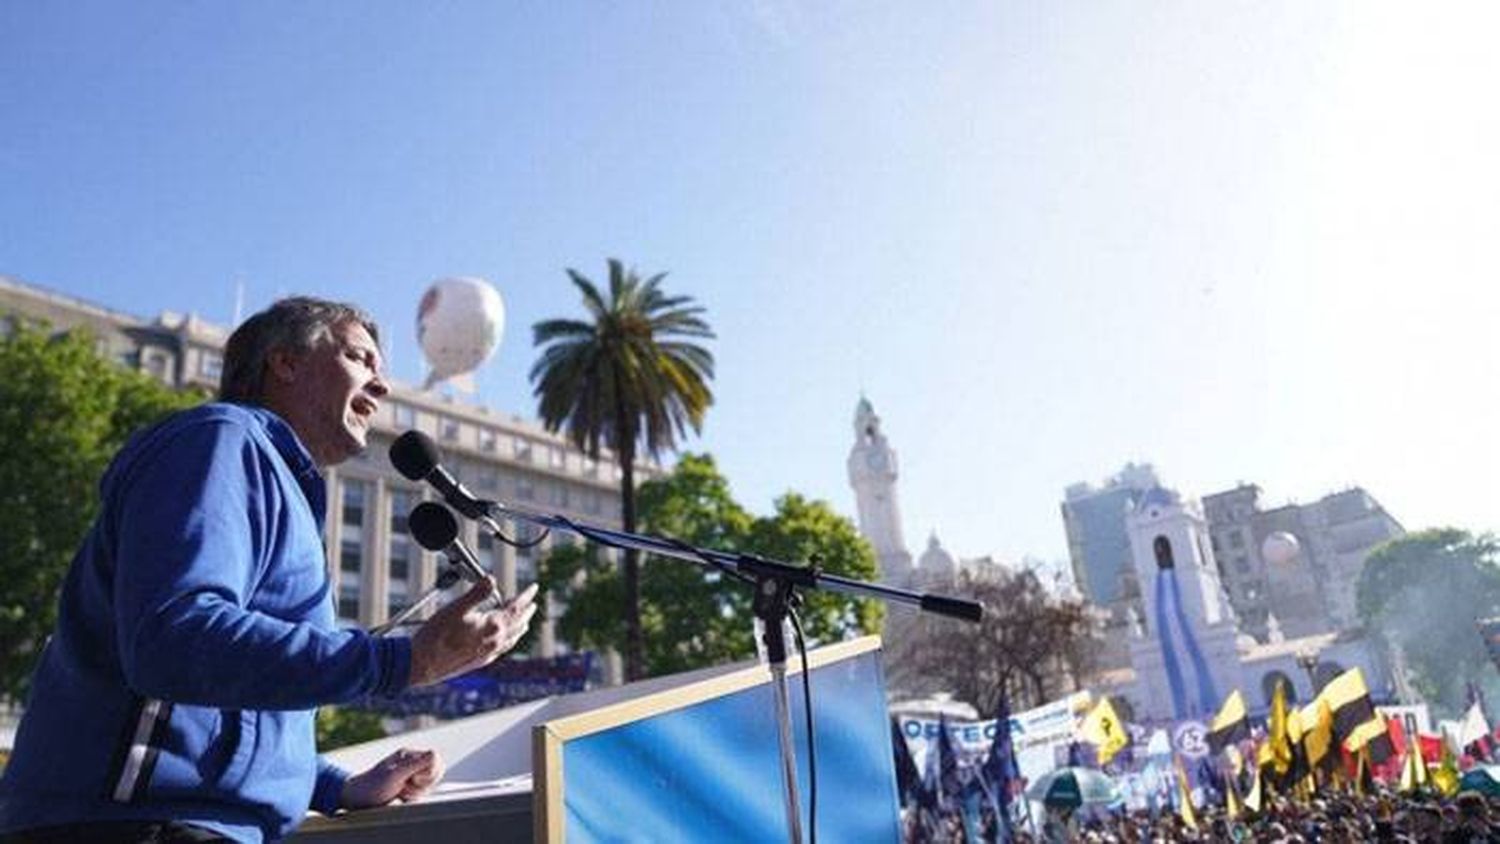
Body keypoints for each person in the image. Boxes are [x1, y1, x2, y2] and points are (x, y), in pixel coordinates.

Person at [0, 297, 538, 843]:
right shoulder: (218, 439)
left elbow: (233, 716)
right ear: (285, 363)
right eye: (359, 359)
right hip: (127, 827)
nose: (382, 387)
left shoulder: (278, 482)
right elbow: (174, 639)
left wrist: (335, 787)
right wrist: (405, 660)